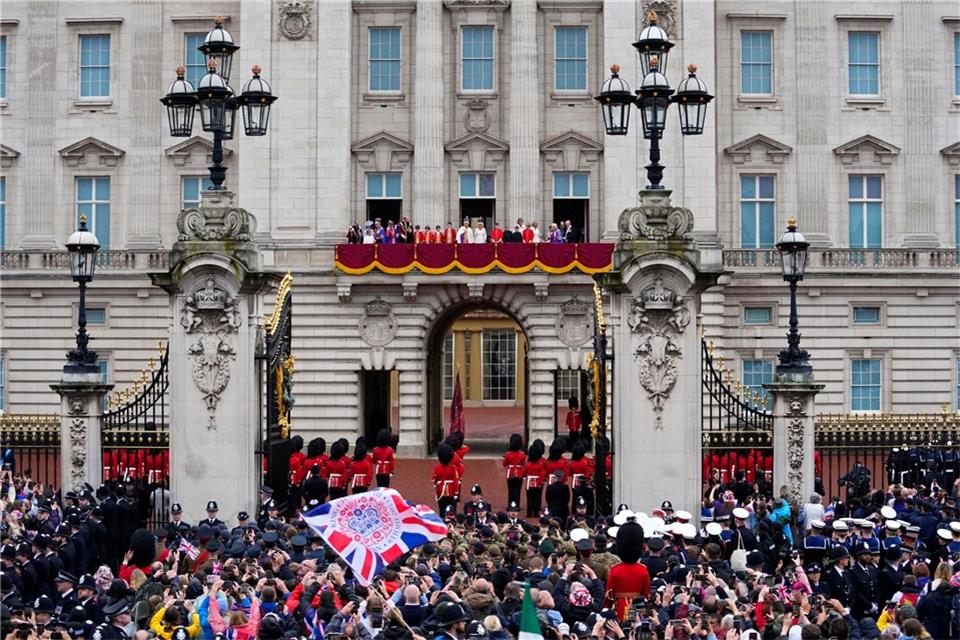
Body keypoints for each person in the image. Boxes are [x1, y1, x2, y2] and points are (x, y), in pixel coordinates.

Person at [432, 443, 461, 516]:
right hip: (451, 492)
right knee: (452, 511)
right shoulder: (453, 468)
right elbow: (455, 481)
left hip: (441, 491)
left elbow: (434, 479)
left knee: (442, 511)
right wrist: (456, 492)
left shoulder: (437, 468)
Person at [502, 434, 526, 510]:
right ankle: (517, 505)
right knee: (517, 490)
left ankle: (510, 505)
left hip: (510, 473)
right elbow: (523, 463)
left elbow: (504, 464)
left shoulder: (508, 454)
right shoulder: (522, 454)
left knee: (511, 490)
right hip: (519, 473)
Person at [524, 441, 547, 518]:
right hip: (537, 483)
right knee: (536, 498)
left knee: (529, 498)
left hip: (529, 483)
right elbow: (542, 474)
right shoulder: (539, 465)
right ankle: (536, 513)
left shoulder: (527, 464)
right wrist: (541, 482)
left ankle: (529, 513)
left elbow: (525, 472)